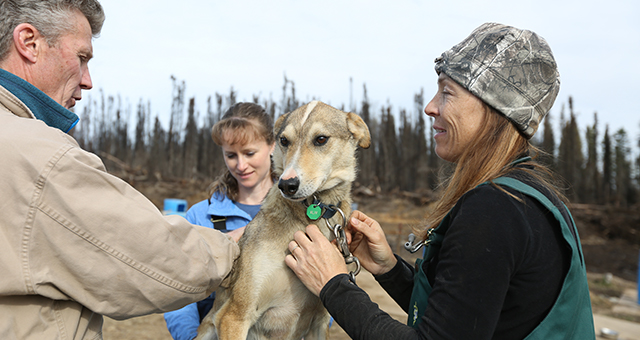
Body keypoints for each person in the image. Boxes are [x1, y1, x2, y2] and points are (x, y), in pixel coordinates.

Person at [285, 22, 596, 339]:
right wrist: (389, 269)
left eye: (447, 92)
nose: (430, 107)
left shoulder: (495, 210)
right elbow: (461, 322)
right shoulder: (530, 197)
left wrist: (333, 284)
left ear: (493, 107)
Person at [0, 1, 241, 339]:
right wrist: (239, 246)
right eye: (82, 58)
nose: (88, 82)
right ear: (29, 42)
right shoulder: (37, 156)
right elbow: (155, 260)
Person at [164, 102, 276, 340]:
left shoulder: (298, 213)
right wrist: (190, 336)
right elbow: (178, 292)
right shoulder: (200, 216)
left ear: (272, 145)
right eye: (231, 155)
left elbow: (319, 286)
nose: (241, 165)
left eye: (249, 153)